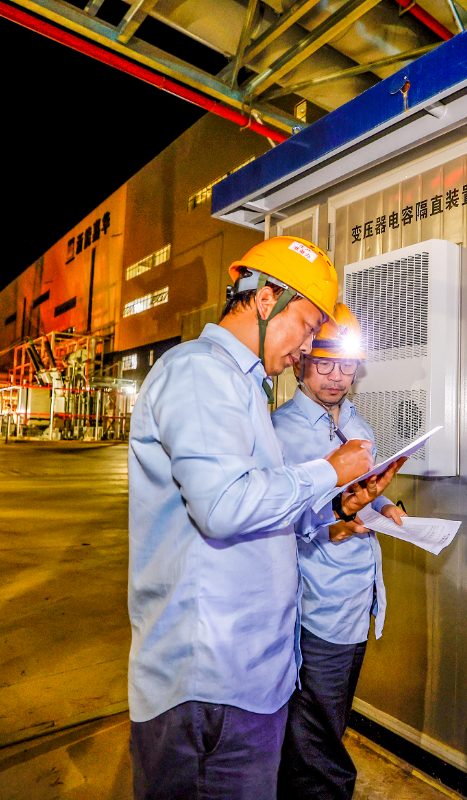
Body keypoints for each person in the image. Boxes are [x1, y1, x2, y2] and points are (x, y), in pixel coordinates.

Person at [127, 236, 387, 800]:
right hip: (208, 684)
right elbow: (223, 506)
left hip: (248, 678)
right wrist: (328, 471)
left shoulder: (243, 385)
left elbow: (262, 508)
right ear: (266, 299)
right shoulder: (199, 372)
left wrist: (338, 506)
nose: (309, 346)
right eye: (308, 325)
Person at [272, 304, 407, 800]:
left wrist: (386, 506)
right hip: (316, 608)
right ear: (301, 363)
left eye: (347, 365)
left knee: (329, 720)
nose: (337, 377)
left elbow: (363, 490)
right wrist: (334, 525)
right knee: (315, 738)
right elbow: (271, 518)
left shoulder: (357, 422)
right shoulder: (280, 432)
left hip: (357, 601)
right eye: (325, 364)